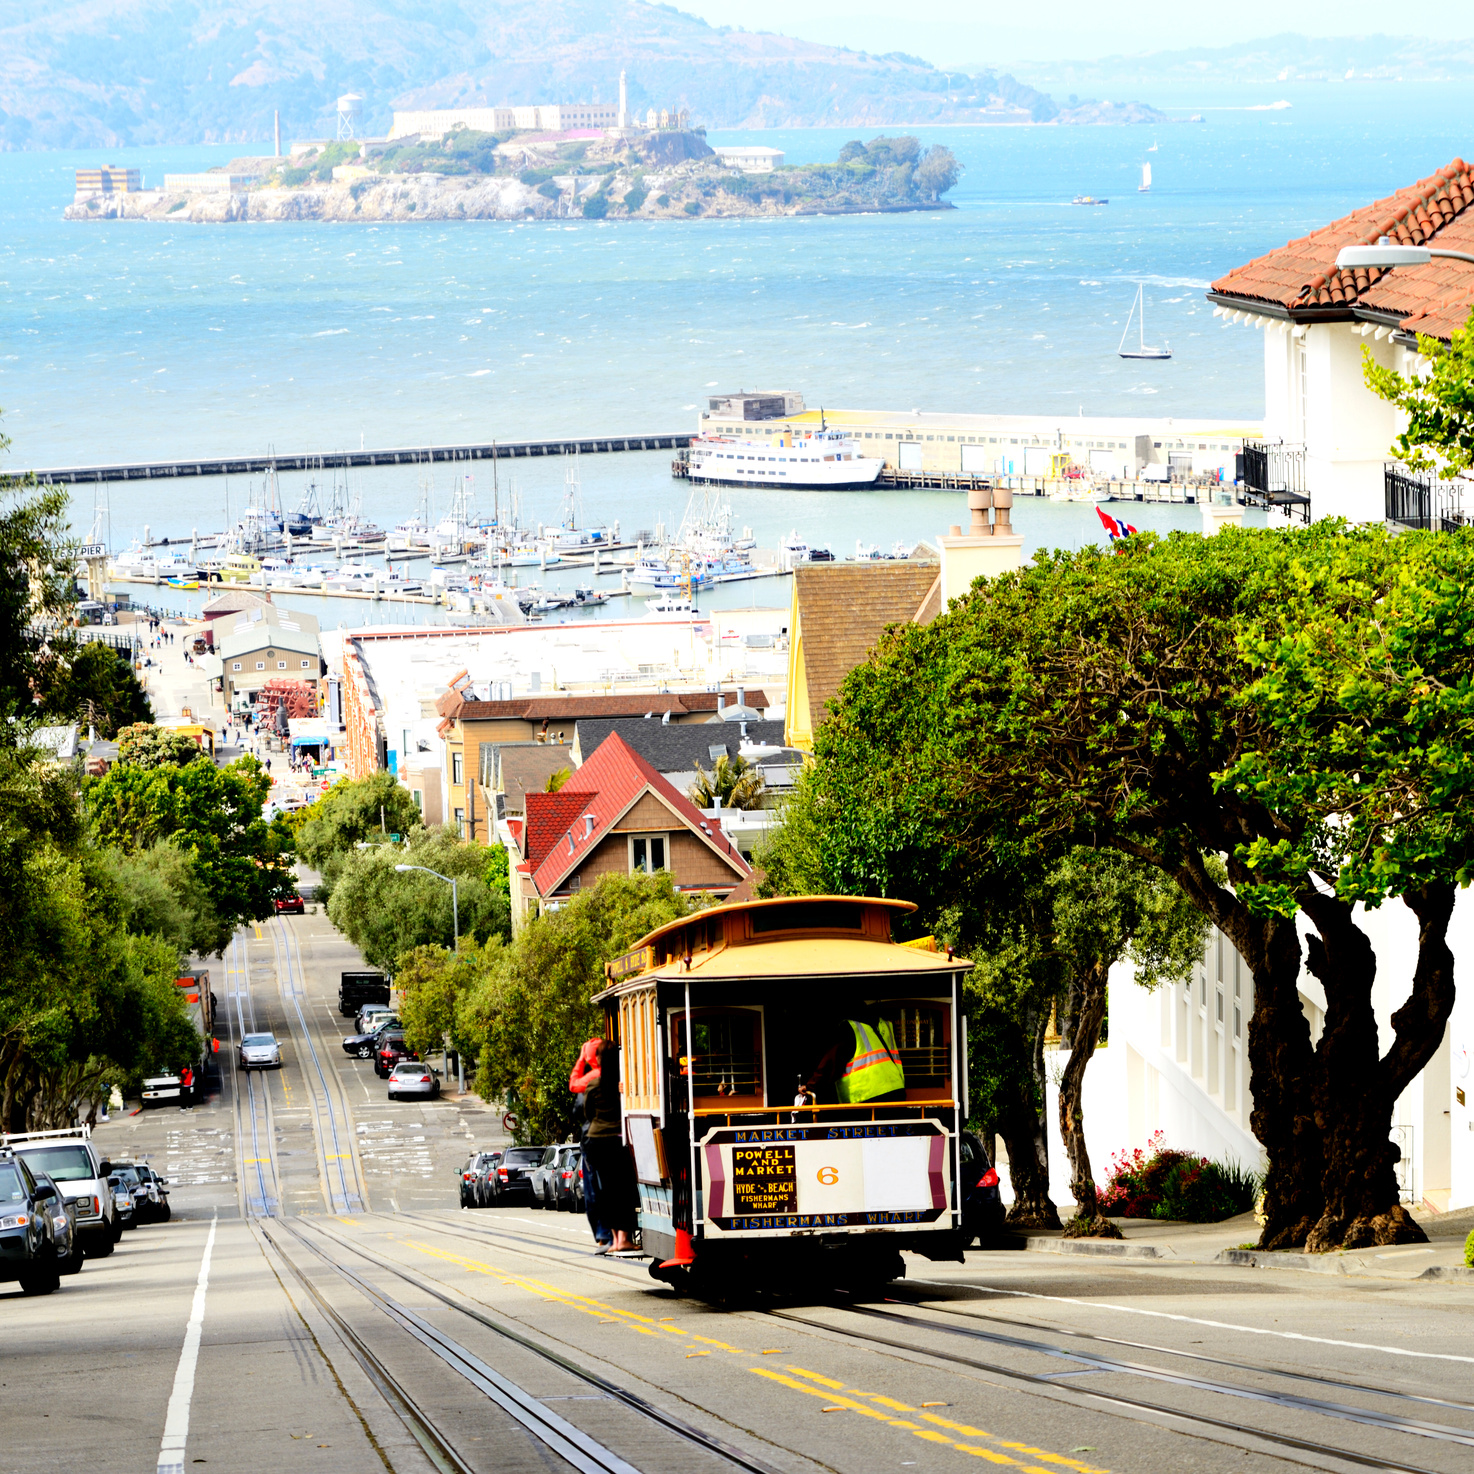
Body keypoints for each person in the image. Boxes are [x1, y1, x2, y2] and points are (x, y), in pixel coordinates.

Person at [571, 1037, 638, 1254]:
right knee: (624, 1190)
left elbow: (587, 1113)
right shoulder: (623, 1083)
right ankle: (625, 1238)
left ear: (598, 1059)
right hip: (618, 1140)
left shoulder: (592, 1083)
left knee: (605, 1191)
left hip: (596, 1141)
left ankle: (615, 1240)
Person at [801, 1008, 906, 1106]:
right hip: (897, 1090)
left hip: (866, 1096)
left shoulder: (849, 1028)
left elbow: (830, 1064)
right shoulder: (884, 1025)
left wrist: (811, 1086)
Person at [569, 1041, 612, 1252]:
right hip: (617, 1135)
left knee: (594, 1188)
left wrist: (580, 1060)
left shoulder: (591, 1079)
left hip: (592, 1138)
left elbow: (579, 1111)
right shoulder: (619, 1073)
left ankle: (603, 1234)